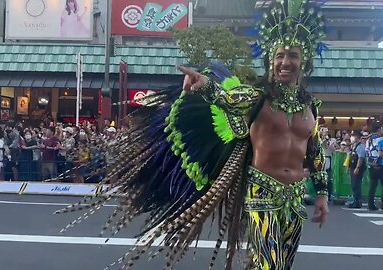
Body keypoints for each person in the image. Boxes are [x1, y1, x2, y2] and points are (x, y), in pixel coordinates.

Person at [58, 1, 329, 269]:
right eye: (279, 55)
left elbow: (314, 153)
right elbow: (225, 98)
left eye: (292, 55)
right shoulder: (256, 98)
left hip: (294, 199)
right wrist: (205, 85)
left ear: (303, 62)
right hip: (261, 194)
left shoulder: (311, 108)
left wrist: (322, 196)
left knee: (280, 263)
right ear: (271, 61)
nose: (285, 62)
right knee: (272, 266)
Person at [366, 123, 383, 211]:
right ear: (379, 129)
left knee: (372, 186)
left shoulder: (368, 139)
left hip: (371, 165)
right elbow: (381, 153)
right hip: (380, 165)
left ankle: (370, 205)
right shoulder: (380, 140)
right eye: (381, 129)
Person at [348, 132, 367, 208]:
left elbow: (360, 158)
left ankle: (358, 202)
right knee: (354, 184)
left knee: (356, 185)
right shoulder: (354, 146)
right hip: (353, 166)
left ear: (357, 138)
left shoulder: (361, 146)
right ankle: (355, 200)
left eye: (353, 136)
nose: (351, 138)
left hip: (358, 168)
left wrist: (357, 168)